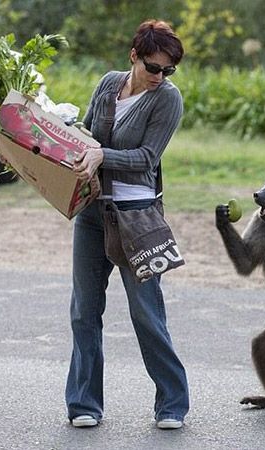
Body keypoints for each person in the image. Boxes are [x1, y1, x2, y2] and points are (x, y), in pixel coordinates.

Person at [65, 19, 188, 430]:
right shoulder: (108, 84)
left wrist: (103, 157)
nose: (160, 76)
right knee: (84, 310)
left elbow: (146, 159)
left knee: (146, 314)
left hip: (137, 219)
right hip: (92, 213)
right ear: (133, 57)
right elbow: (85, 136)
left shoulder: (168, 100)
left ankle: (172, 404)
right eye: (153, 67)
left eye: (168, 70)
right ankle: (84, 402)